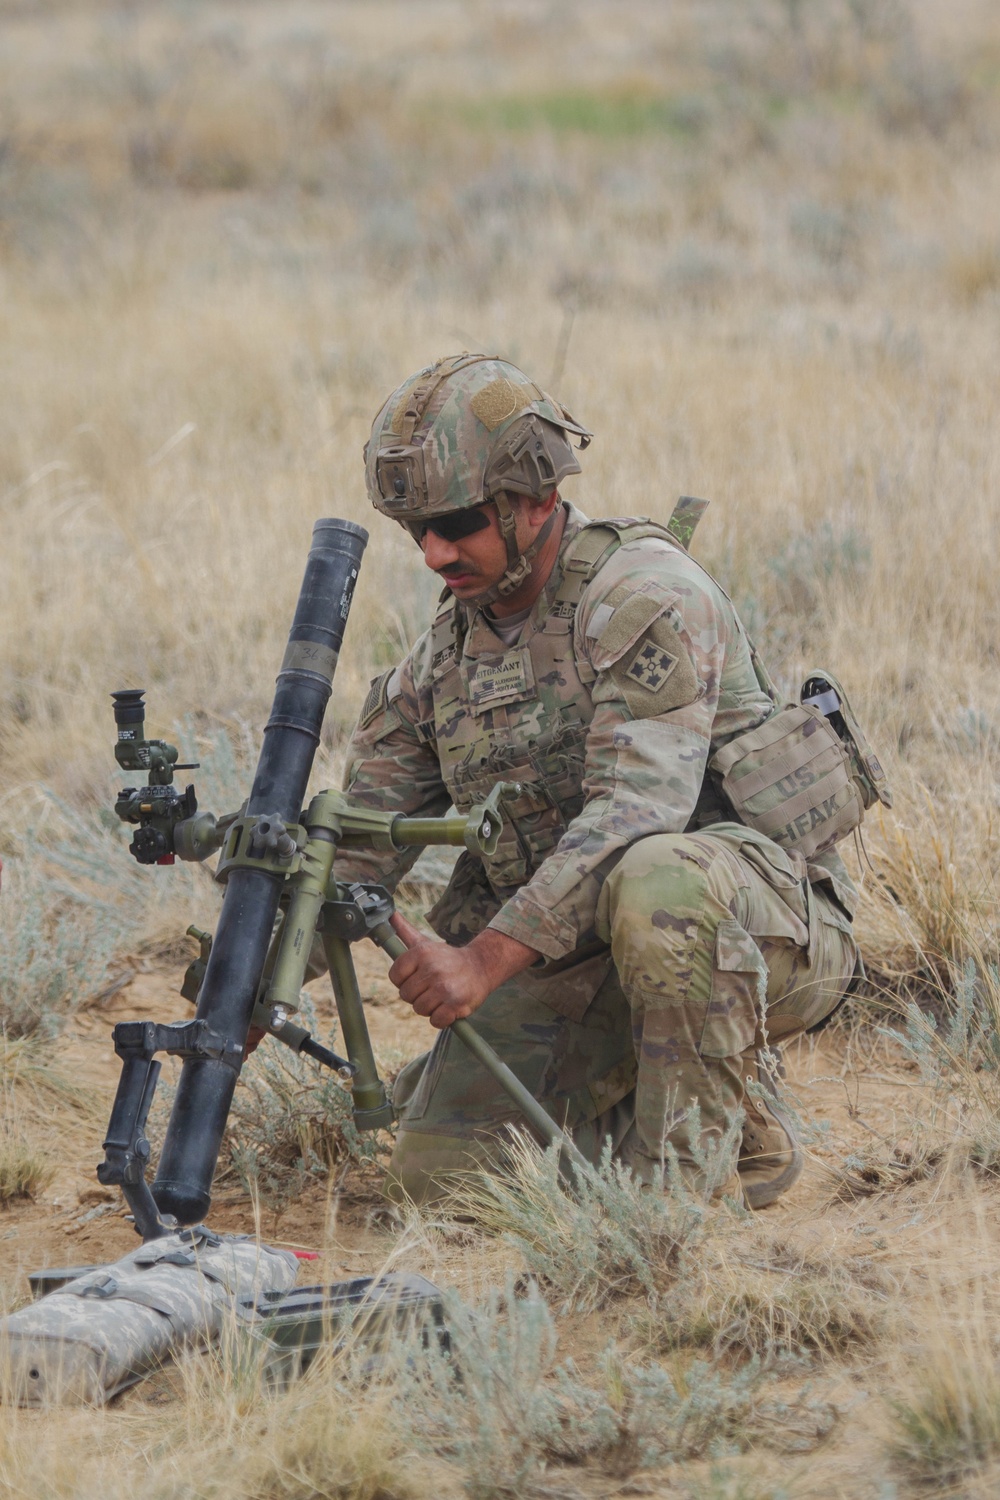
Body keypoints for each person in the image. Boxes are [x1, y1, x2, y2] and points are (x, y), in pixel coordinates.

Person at [330, 353, 862, 1208]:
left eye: (457, 522)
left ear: (536, 500)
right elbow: (354, 846)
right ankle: (688, 1097)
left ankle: (685, 1188)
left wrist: (482, 962)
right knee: (443, 1180)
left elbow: (636, 812)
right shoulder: (442, 662)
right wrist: (244, 971)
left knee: (660, 879)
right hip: (582, 956)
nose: (433, 553)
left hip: (760, 934)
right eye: (414, 528)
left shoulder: (644, 597)